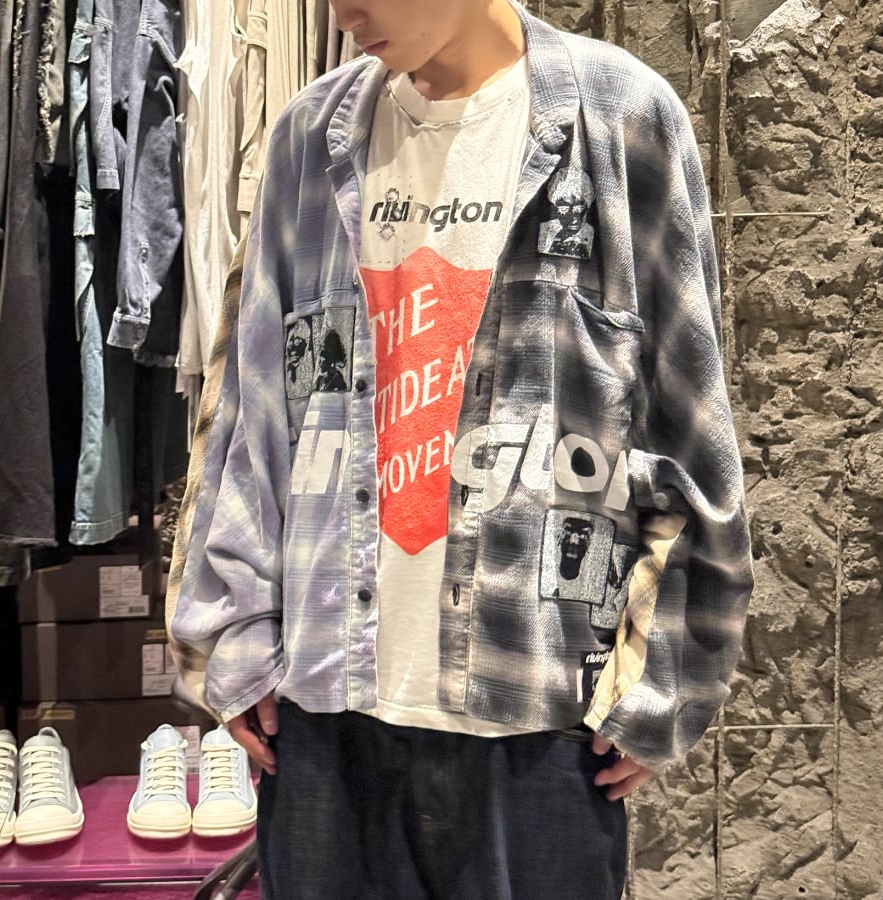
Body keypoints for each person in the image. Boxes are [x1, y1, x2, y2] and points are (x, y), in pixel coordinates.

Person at [166, 1, 754, 897]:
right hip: (322, 711)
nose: (341, 12)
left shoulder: (621, 119)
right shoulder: (310, 139)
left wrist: (668, 672)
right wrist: (233, 633)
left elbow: (690, 427)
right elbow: (249, 410)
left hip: (541, 710)